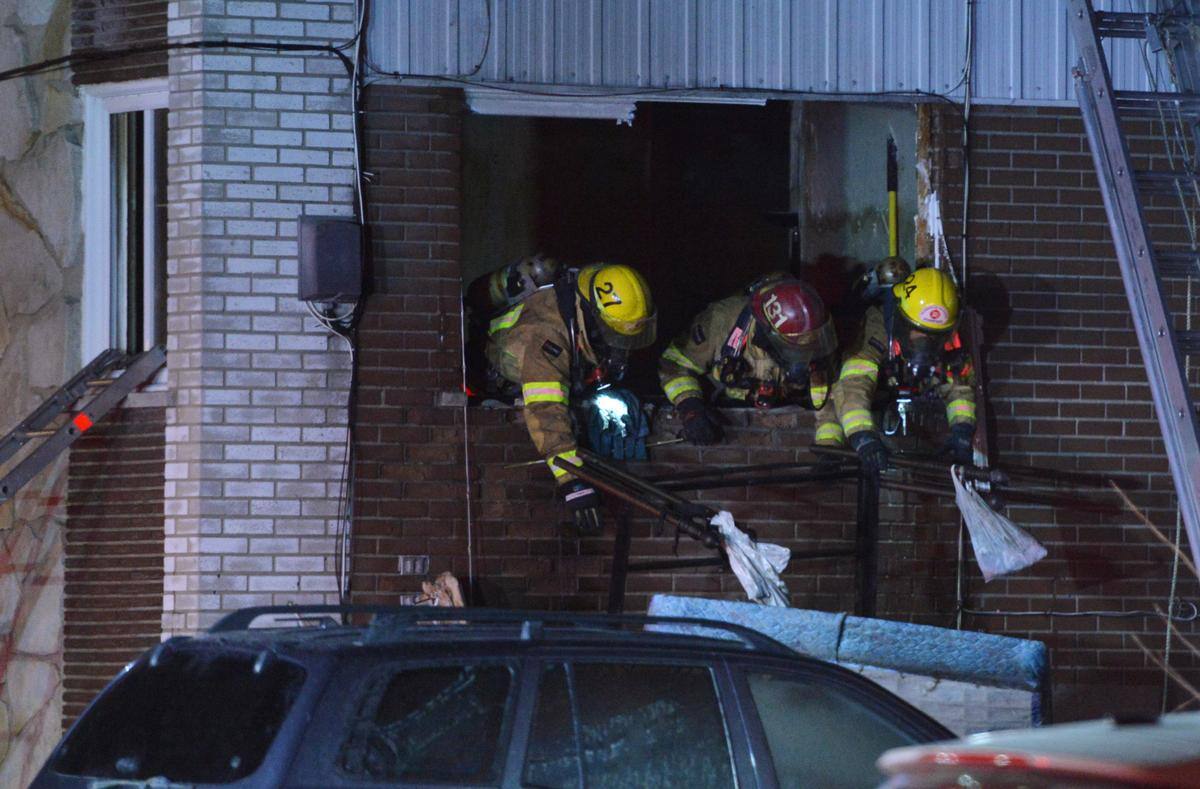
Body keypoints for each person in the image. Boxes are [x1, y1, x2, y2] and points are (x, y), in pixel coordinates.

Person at [486, 262, 656, 530]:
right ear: (591, 314)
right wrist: (571, 479)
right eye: (612, 336)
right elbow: (545, 407)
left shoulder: (583, 312)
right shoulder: (548, 334)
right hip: (505, 371)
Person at [657, 276, 840, 445]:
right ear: (767, 335)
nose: (804, 357)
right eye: (795, 349)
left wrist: (829, 444)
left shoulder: (816, 337)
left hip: (780, 422)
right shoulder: (721, 320)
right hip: (725, 416)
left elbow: (828, 397)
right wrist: (690, 407)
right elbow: (675, 363)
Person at [832, 266, 976, 474]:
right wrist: (862, 436)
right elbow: (854, 383)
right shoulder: (878, 326)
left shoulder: (949, 336)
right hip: (879, 406)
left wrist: (962, 430)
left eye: (933, 337)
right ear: (902, 322)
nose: (925, 344)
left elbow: (959, 386)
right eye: (919, 333)